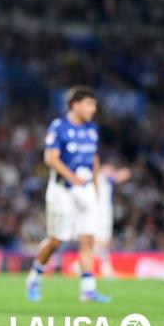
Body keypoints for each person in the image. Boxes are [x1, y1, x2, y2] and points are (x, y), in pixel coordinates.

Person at [25, 86, 111, 302]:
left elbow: (94, 159)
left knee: (88, 237)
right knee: (56, 240)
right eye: (89, 104)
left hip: (86, 189)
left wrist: (97, 189)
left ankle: (88, 289)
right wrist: (73, 177)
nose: (93, 109)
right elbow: (51, 158)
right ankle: (35, 276)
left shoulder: (92, 129)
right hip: (63, 189)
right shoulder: (60, 127)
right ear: (75, 105)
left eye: (94, 105)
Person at [95, 163, 131, 278]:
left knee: (102, 240)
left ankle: (83, 265)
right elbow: (123, 175)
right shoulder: (102, 176)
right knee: (102, 240)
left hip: (103, 210)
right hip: (100, 211)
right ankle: (105, 267)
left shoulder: (102, 180)